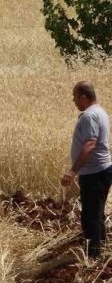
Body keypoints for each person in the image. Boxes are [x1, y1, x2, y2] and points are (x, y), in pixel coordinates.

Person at [61, 81, 112, 259]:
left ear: (83, 96)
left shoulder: (90, 116)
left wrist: (73, 171)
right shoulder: (100, 112)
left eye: (75, 96)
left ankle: (92, 256)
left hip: (94, 173)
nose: (73, 100)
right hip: (101, 171)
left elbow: (90, 144)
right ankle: (102, 247)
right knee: (96, 211)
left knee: (90, 215)